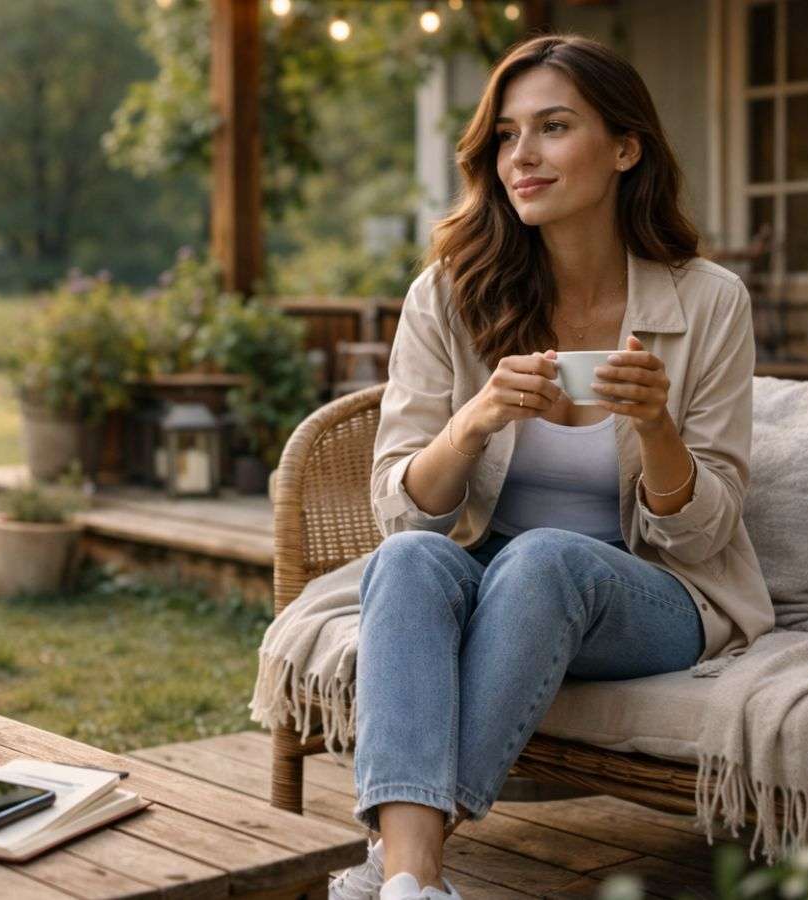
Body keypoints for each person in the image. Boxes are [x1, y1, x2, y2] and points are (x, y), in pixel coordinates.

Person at [329, 33, 774, 900]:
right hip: (492, 573)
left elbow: (705, 533)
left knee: (544, 558)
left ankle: (402, 861)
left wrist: (656, 428)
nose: (521, 156)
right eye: (505, 135)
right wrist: (475, 420)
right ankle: (411, 883)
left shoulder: (709, 301)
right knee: (408, 561)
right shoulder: (449, 294)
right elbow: (402, 512)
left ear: (625, 148)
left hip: (655, 594)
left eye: (554, 127)